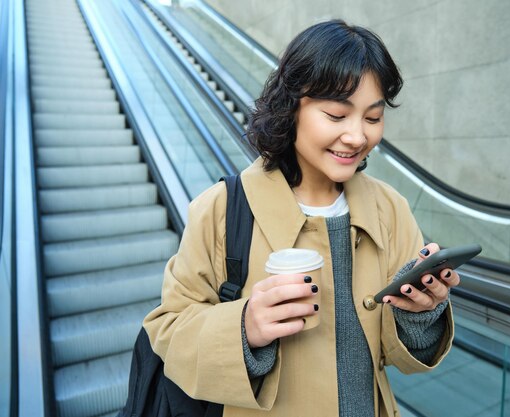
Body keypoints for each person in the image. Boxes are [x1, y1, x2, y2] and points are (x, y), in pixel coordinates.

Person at [143, 19, 459, 417]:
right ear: (291, 106)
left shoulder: (389, 209)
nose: (358, 136)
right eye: (336, 115)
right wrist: (244, 328)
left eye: (373, 118)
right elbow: (168, 332)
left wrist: (420, 314)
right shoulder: (222, 208)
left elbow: (401, 353)